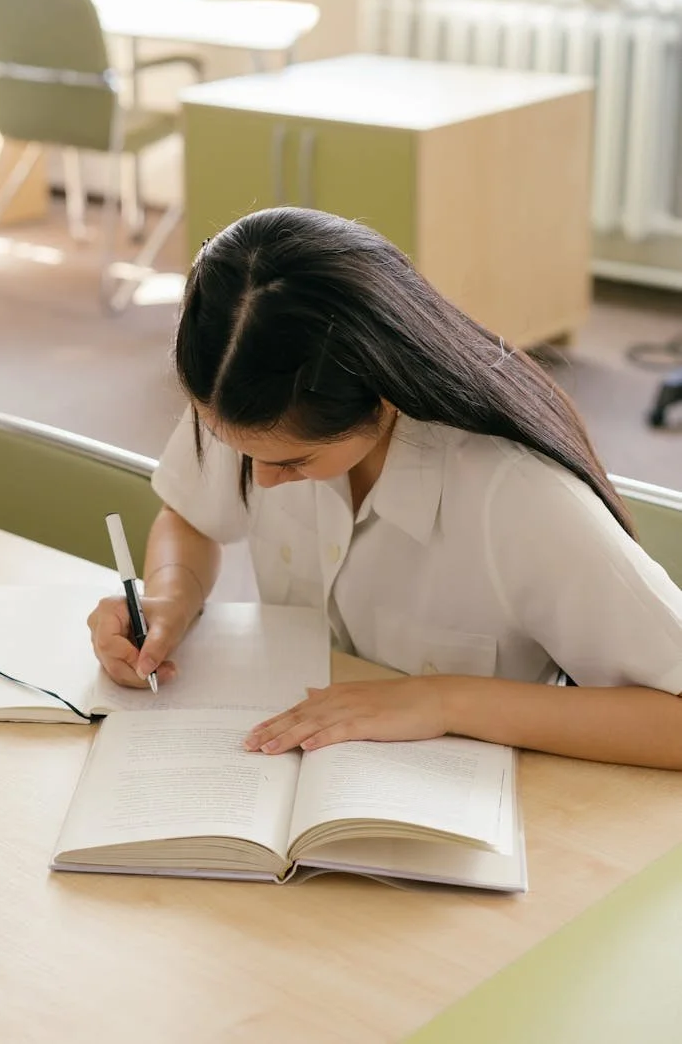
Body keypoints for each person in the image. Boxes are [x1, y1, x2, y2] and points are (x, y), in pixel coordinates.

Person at [89, 207, 682, 769]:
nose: (263, 481)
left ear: (383, 394)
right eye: (245, 456)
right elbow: (191, 516)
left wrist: (442, 701)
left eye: (295, 462)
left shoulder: (521, 498)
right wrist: (171, 595)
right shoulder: (246, 393)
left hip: (486, 807)